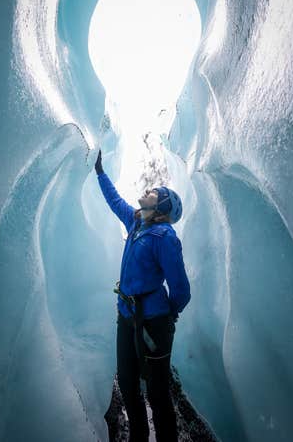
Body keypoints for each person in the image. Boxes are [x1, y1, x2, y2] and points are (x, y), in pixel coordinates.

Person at [95, 150, 191, 442]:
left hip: (153, 324)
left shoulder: (165, 237)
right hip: (126, 317)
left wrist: (167, 314)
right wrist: (100, 172)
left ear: (161, 206)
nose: (147, 192)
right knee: (127, 384)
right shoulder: (137, 223)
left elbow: (181, 290)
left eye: (153, 192)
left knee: (158, 393)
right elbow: (115, 202)